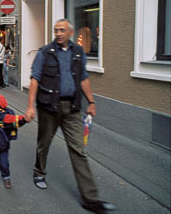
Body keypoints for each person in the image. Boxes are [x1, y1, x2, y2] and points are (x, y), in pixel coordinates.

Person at [25, 19, 116, 213]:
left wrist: (91, 102)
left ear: (71, 32)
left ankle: (90, 199)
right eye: (56, 30)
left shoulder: (78, 52)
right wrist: (30, 107)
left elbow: (83, 78)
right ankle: (39, 172)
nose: (58, 33)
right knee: (44, 143)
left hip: (72, 108)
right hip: (49, 107)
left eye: (62, 30)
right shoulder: (45, 52)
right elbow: (35, 79)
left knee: (79, 150)